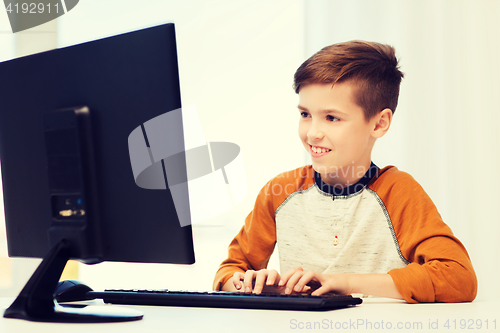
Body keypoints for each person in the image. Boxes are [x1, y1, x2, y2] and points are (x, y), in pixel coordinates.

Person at [212, 41, 477, 303]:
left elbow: (459, 278)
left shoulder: (398, 192)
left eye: (332, 118)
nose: (312, 132)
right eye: (305, 114)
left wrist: (343, 283)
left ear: (379, 123)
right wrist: (248, 284)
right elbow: (228, 273)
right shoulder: (279, 191)